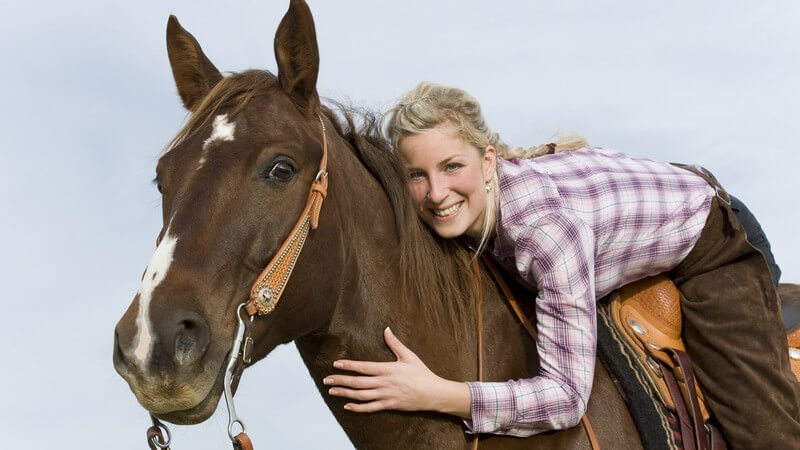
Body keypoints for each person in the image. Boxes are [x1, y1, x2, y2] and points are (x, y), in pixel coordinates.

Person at [323, 82, 799, 448]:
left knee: (765, 428)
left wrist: (439, 394)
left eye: (452, 167)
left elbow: (568, 400)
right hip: (609, 222)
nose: (437, 192)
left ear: (489, 161)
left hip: (708, 236)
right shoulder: (454, 209)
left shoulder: (546, 233)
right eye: (416, 176)